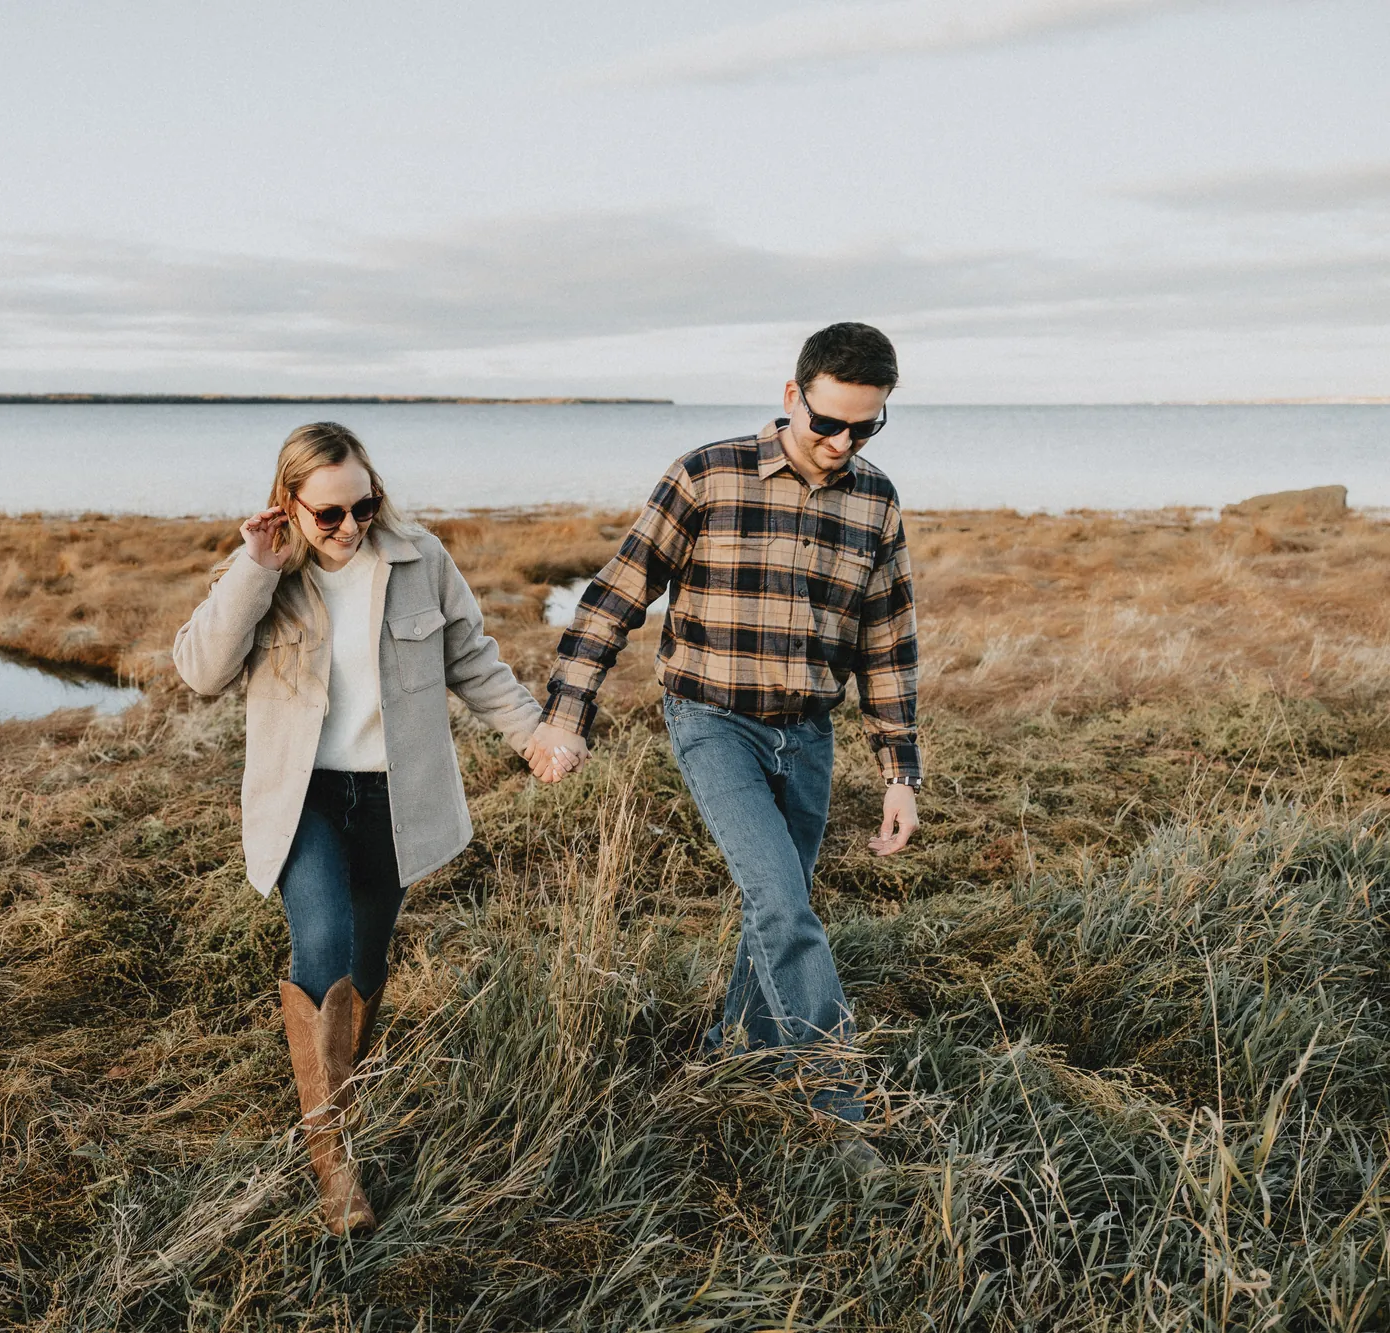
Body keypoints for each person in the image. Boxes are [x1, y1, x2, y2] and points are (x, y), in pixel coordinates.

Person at [526, 323, 921, 1163]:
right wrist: (566, 714)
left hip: (808, 735)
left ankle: (726, 1059)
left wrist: (899, 772)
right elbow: (615, 597)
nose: (842, 443)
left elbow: (885, 644)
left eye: (866, 426)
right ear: (792, 397)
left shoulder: (876, 501)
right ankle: (837, 1104)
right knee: (784, 903)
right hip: (712, 722)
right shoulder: (707, 475)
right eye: (829, 423)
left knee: (772, 912)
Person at [173, 422, 559, 1236]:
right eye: (328, 515)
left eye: (363, 505)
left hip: (395, 798)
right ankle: (331, 1160)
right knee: (321, 942)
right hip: (303, 797)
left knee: (368, 959)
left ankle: (341, 1090)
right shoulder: (265, 572)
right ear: (289, 505)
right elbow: (200, 670)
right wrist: (252, 568)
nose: (350, 527)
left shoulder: (421, 561)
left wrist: (531, 733)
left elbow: (475, 661)